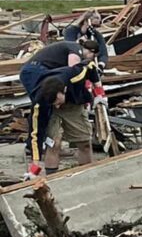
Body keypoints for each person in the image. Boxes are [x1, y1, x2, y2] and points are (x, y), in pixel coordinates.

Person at [19, 39, 100, 173]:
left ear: (63, 91)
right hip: (45, 97)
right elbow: (35, 133)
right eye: (54, 103)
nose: (57, 106)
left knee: (84, 142)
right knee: (53, 143)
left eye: (57, 102)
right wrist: (34, 166)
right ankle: (52, 177)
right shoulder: (41, 101)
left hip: (73, 104)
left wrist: (99, 94)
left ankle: (87, 175)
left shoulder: (72, 74)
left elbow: (89, 66)